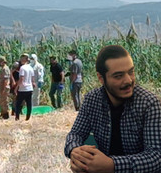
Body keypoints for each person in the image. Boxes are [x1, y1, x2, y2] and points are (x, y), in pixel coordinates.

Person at [64, 45, 161, 173]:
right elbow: (76, 133)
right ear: (101, 78)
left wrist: (113, 165)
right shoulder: (92, 100)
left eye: (131, 72)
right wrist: (74, 151)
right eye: (118, 76)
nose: (128, 80)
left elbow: (156, 157)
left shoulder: (149, 104)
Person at [14, 53, 35, 121]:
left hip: (23, 89)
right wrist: (32, 84)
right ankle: (28, 117)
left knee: (18, 103)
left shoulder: (22, 68)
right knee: (29, 103)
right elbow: (33, 79)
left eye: (22, 58)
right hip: (29, 88)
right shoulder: (30, 68)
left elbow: (21, 79)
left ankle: (17, 117)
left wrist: (16, 87)